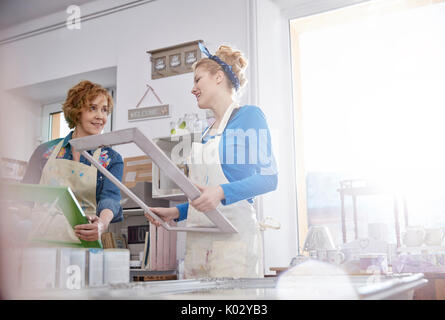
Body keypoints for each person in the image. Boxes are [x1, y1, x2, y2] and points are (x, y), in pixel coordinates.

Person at [146, 43, 278, 279]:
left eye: (197, 80)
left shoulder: (249, 116)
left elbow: (269, 178)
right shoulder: (207, 134)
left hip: (233, 243)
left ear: (218, 77)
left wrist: (221, 191)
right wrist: (176, 212)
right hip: (198, 243)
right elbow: (206, 198)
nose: (193, 89)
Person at [22, 80, 123, 242]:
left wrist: (101, 224)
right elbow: (25, 196)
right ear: (76, 112)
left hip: (83, 243)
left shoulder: (111, 159)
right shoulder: (44, 151)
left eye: (104, 110)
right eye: (92, 108)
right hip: (39, 242)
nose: (100, 116)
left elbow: (110, 198)